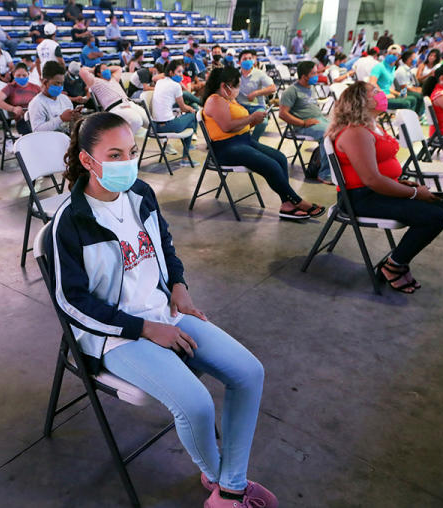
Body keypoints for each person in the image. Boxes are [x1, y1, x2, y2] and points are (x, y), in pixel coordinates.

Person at [51, 111, 277, 508]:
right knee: (195, 404)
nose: (128, 163)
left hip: (163, 311)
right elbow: (72, 303)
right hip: (112, 337)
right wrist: (143, 329)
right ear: (88, 160)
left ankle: (229, 485)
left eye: (132, 152)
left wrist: (179, 286)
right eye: (115, 154)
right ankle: (225, 488)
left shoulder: (140, 193)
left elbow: (164, 244)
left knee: (249, 373)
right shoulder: (70, 223)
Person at [326, 81, 443, 293]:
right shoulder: (356, 132)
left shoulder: (370, 127)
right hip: (360, 199)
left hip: (375, 192)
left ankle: (395, 262)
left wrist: (400, 184)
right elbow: (371, 180)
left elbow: (377, 172)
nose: (381, 94)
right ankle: (394, 266)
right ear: (359, 101)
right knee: (435, 216)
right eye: (374, 92)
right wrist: (414, 193)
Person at [201, 67, 324, 220]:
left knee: (280, 158)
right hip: (226, 148)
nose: (238, 88)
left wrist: (254, 121)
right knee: (270, 165)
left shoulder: (228, 100)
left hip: (242, 141)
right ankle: (297, 201)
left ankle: (286, 204)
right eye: (236, 85)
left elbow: (240, 126)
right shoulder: (215, 100)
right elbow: (227, 126)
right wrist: (252, 118)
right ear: (224, 86)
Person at [279, 61, 333, 183]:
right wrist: (302, 123)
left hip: (318, 120)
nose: (316, 76)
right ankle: (325, 174)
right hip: (302, 125)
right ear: (304, 76)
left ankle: (333, 169)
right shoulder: (291, 91)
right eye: (313, 73)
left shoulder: (311, 87)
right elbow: (282, 114)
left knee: (341, 131)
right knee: (328, 135)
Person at [150, 60, 198, 166]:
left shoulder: (160, 82)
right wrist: (191, 109)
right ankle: (185, 157)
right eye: (179, 72)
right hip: (168, 125)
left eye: (182, 72)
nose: (181, 75)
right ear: (171, 73)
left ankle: (187, 147)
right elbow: (183, 108)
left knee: (188, 118)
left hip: (155, 127)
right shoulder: (175, 86)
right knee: (193, 115)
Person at [79, 63, 148, 135]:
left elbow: (119, 68)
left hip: (129, 102)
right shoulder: (95, 81)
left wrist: (105, 68)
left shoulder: (113, 78)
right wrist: (94, 69)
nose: (107, 70)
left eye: (107, 69)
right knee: (137, 121)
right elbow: (82, 71)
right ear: (98, 73)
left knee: (149, 121)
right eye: (104, 70)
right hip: (115, 108)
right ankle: (124, 142)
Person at [28, 61, 80, 134]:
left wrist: (75, 119)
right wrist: (61, 119)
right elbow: (37, 130)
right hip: (48, 142)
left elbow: (71, 129)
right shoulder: (37, 103)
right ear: (45, 82)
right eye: (57, 83)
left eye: (62, 83)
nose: (60, 87)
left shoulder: (65, 99)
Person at [368, 44, 421, 114]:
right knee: (406, 103)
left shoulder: (392, 69)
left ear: (398, 56)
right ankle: (403, 122)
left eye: (394, 54)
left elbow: (386, 87)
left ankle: (411, 120)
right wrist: (384, 95)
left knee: (413, 99)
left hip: (388, 95)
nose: (391, 55)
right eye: (389, 53)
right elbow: (372, 83)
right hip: (380, 98)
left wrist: (398, 94)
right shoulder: (379, 67)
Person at [236, 50, 275, 142]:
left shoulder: (259, 73)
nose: (248, 60)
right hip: (240, 106)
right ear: (239, 62)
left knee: (263, 122)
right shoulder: (235, 74)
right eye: (245, 59)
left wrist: (256, 93)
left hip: (257, 106)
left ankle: (253, 141)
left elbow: (273, 88)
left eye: (250, 58)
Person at [0, 62, 40, 135]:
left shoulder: (35, 87)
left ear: (28, 74)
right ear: (14, 75)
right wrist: (13, 109)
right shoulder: (10, 87)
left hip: (38, 118)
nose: (21, 77)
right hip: (22, 121)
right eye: (18, 75)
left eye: (24, 75)